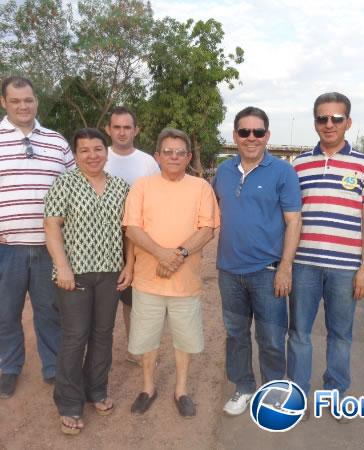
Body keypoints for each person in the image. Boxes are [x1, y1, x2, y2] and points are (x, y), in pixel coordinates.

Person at [0, 76, 74, 399]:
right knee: (4, 313)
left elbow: (73, 188)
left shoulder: (57, 142)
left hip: (49, 247)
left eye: (29, 100)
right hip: (3, 249)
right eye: (16, 100)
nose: (24, 106)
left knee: (50, 310)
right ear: (4, 103)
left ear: (36, 101)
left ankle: (52, 366)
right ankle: (10, 367)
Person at [288, 93, 364, 412]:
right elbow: (290, 216)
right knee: (299, 332)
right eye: (322, 118)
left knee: (340, 334)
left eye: (336, 118)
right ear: (315, 122)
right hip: (303, 266)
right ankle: (297, 393)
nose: (329, 124)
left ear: (348, 123)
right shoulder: (298, 164)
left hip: (345, 268)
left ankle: (336, 391)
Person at [123, 128, 219, 418]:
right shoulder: (142, 186)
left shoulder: (201, 187)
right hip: (147, 280)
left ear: (188, 157)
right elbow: (132, 227)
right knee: (147, 338)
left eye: (180, 152)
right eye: (168, 151)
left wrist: (177, 255)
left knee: (184, 339)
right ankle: (148, 387)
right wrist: (161, 254)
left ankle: (181, 390)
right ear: (157, 156)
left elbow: (207, 228)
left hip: (184, 282)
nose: (174, 157)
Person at [213, 106, 302, 416]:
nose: (251, 138)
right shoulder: (223, 171)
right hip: (228, 271)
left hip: (267, 272)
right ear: (235, 135)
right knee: (236, 335)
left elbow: (293, 221)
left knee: (271, 338)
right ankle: (244, 386)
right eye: (244, 132)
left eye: (258, 132)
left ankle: (273, 390)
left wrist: (286, 268)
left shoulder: (283, 172)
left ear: (267, 136)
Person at [43, 128, 130, 434]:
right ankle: (68, 402)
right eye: (84, 150)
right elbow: (51, 226)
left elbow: (128, 230)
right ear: (75, 154)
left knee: (103, 334)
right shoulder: (63, 183)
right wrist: (62, 267)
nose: (92, 155)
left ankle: (96, 390)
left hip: (109, 272)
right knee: (75, 336)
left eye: (97, 149)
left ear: (106, 152)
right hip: (74, 275)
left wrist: (128, 265)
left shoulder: (121, 187)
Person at [103, 106, 159, 365]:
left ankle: (135, 349)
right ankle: (98, 356)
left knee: (132, 301)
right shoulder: (97, 157)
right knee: (101, 302)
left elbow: (158, 199)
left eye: (127, 127)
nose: (122, 132)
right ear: (108, 130)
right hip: (100, 241)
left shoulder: (147, 162)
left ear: (136, 130)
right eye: (117, 127)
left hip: (136, 242)